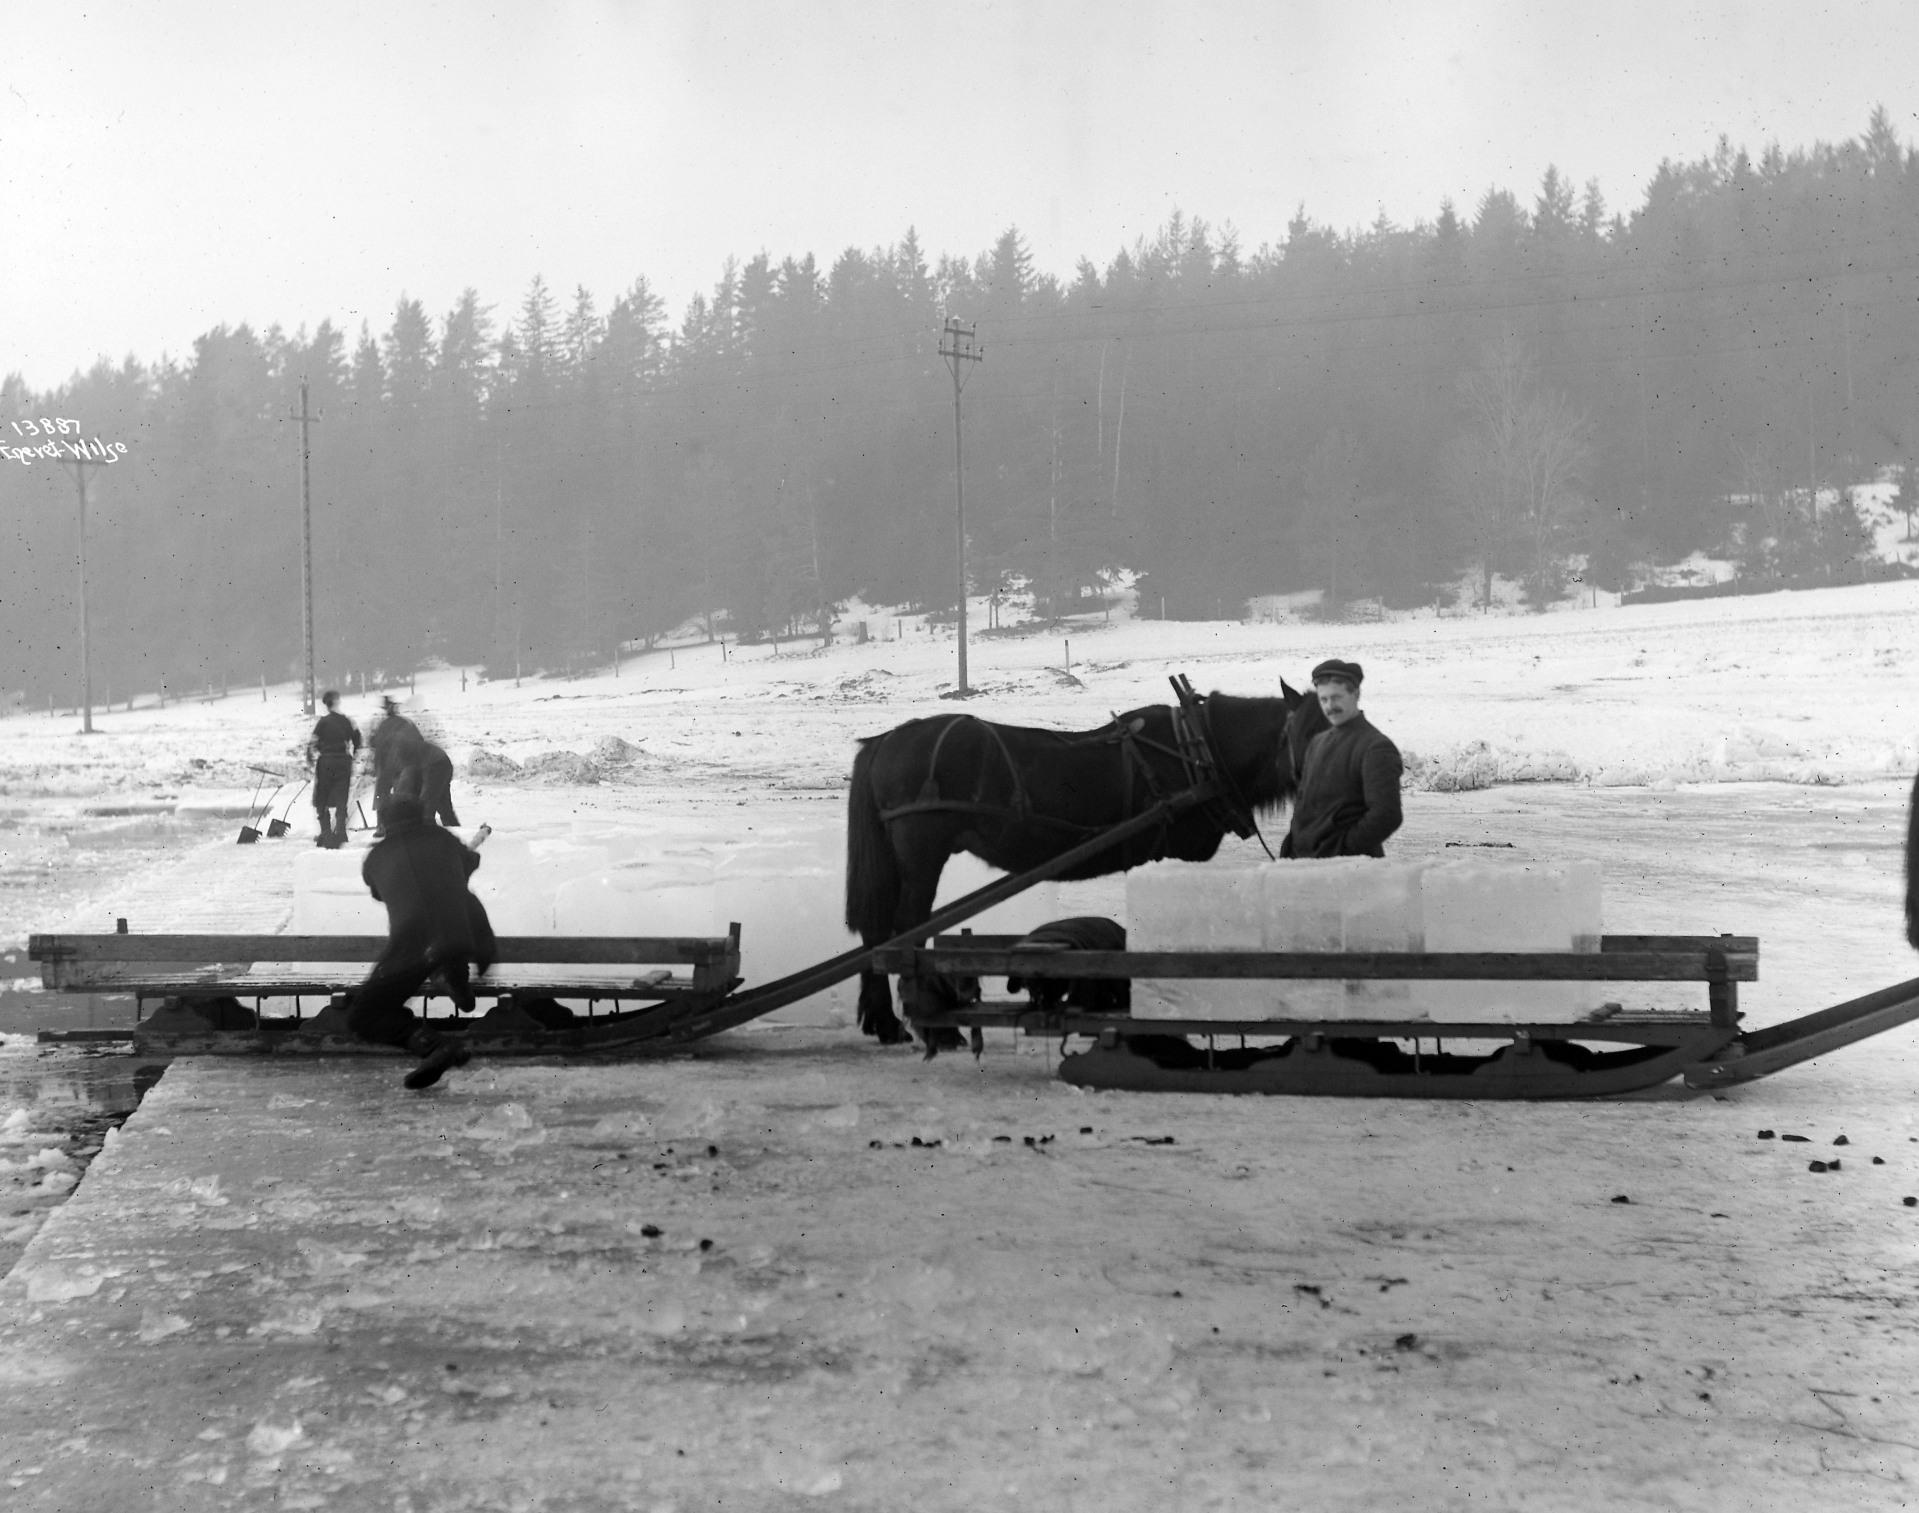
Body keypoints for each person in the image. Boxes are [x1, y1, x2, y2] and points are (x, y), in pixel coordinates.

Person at [348, 782, 497, 1089]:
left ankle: (435, 1045)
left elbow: (379, 891)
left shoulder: (376, 858)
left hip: (415, 946)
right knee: (447, 942)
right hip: (459, 937)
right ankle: (453, 978)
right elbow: (470, 862)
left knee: (364, 1016)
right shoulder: (442, 838)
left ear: (385, 822)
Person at [1280, 658, 1404, 859]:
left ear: (1355, 694)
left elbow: (1387, 815)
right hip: (1303, 866)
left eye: (1336, 697)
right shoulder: (1317, 743)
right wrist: (1292, 845)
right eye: (1324, 699)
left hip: (1349, 874)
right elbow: (1305, 807)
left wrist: (1341, 850)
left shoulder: (1376, 747)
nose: (1330, 706)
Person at [306, 690, 360, 848]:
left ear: (326, 705)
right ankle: (341, 833)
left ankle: (326, 833)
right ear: (337, 702)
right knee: (341, 796)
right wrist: (353, 754)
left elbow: (313, 743)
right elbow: (357, 738)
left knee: (322, 797)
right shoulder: (347, 721)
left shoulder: (322, 722)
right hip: (344, 761)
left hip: (326, 761)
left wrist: (311, 757)